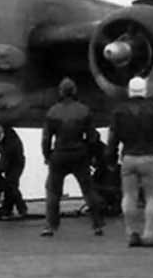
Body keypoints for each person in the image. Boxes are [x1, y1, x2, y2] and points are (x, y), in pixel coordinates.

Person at [106, 76, 153, 248]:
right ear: (145, 90)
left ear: (129, 90)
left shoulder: (119, 111)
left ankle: (131, 233)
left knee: (129, 196)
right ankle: (149, 235)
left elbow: (112, 138)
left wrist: (110, 158)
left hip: (128, 158)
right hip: (149, 158)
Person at [40, 77, 105, 237]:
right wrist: (90, 154)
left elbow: (46, 138)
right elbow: (92, 136)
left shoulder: (52, 111)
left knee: (53, 192)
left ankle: (50, 226)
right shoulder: (84, 110)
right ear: (74, 91)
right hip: (79, 154)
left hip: (59, 155)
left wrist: (47, 155)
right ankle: (97, 224)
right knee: (88, 190)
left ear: (60, 92)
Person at [0, 124, 28, 218]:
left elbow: (3, 161)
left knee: (11, 184)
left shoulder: (10, 145)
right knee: (9, 185)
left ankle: (21, 208)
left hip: (16, 164)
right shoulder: (7, 134)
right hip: (13, 162)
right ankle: (7, 208)